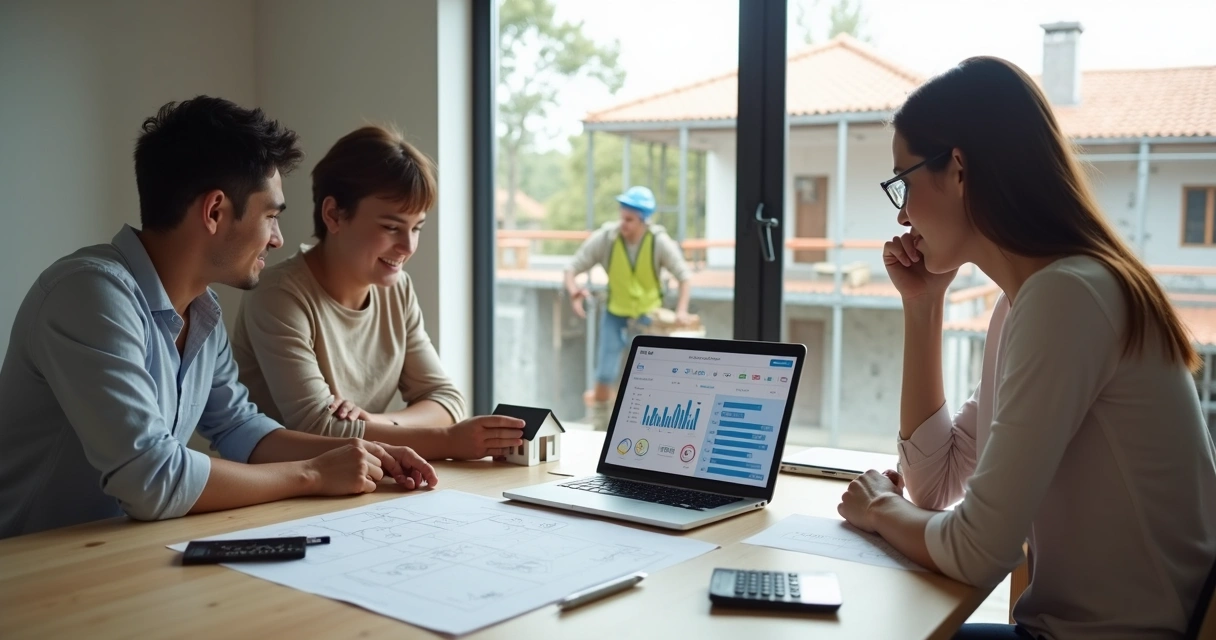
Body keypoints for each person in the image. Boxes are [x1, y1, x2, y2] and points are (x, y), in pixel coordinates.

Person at [832, 56, 1216, 639]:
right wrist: (924, 307)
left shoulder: (1069, 299)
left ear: (958, 168)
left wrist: (878, 509)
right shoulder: (1025, 304)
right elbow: (936, 485)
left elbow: (976, 550)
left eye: (903, 183)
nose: (904, 213)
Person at [0, 97, 437, 540]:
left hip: (120, 551)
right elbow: (152, 479)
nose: (278, 239)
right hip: (28, 566)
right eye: (270, 216)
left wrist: (361, 451)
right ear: (214, 212)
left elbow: (239, 427)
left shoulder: (201, 308)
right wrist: (313, 473)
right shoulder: (89, 296)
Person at [232, 126, 524, 460]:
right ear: (334, 215)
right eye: (391, 227)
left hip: (361, 482)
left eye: (416, 228)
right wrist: (447, 441)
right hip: (281, 494)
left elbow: (447, 399)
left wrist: (374, 423)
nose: (408, 246)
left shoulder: (397, 289)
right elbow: (318, 427)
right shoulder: (279, 294)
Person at [564, 186, 693, 429]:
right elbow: (572, 268)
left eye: (630, 220)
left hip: (649, 317)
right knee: (605, 371)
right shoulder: (607, 239)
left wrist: (681, 311)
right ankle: (601, 425)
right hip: (615, 313)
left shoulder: (659, 242)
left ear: (643, 220)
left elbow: (685, 276)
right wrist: (574, 291)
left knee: (650, 376)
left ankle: (645, 426)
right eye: (622, 217)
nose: (623, 224)